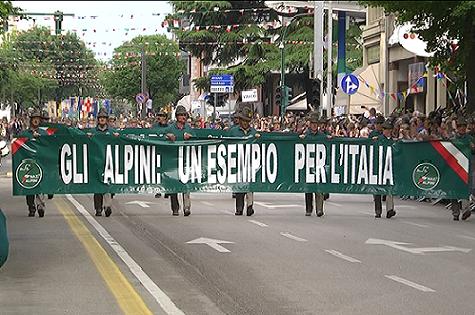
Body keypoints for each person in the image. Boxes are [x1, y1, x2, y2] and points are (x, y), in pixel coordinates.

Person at [228, 106, 260, 216]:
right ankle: (239, 207)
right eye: (244, 120)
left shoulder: (254, 132)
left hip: (250, 162)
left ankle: (250, 206)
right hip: (238, 162)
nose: (246, 123)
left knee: (250, 185)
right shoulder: (233, 132)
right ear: (240, 121)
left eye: (247, 121)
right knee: (239, 186)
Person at [88, 108, 117, 217]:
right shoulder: (93, 132)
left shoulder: (112, 132)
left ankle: (108, 205)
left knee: (107, 184)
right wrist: (89, 138)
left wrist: (117, 138)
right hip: (96, 162)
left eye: (104, 118)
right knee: (97, 186)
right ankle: (98, 208)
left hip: (109, 162)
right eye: (100, 118)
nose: (102, 120)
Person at [299, 112, 328, 217]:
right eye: (312, 123)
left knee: (319, 187)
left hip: (319, 165)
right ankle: (308, 208)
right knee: (308, 188)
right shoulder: (305, 135)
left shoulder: (322, 136)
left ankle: (319, 209)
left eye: (316, 123)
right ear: (309, 124)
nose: (314, 125)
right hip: (308, 165)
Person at [165, 105, 192, 216]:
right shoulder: (170, 128)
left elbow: (196, 139)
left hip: (185, 160)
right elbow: (161, 136)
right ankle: (175, 208)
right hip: (173, 160)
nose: (183, 117)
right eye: (181, 115)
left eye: (184, 115)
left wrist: (190, 137)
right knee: (173, 186)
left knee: (186, 184)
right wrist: (167, 136)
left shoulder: (189, 128)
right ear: (176, 116)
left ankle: (187, 207)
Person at [25, 109, 47, 217]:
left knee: (40, 184)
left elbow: (49, 145)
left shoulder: (44, 133)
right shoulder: (25, 133)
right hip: (28, 163)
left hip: (41, 162)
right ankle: (31, 207)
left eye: (37, 119)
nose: (36, 121)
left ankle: (40, 206)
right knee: (29, 186)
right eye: (34, 119)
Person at [373, 119, 396, 219]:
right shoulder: (378, 139)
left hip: (389, 167)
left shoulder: (393, 141)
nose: (387, 131)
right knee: (377, 189)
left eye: (389, 129)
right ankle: (378, 211)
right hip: (378, 167)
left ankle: (389, 210)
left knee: (389, 188)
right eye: (386, 129)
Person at [450, 117, 472, 221]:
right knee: (453, 190)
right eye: (460, 126)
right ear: (457, 128)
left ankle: (466, 210)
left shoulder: (470, 138)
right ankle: (455, 212)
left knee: (465, 188)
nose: (462, 128)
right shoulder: (453, 138)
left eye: (464, 126)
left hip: (466, 167)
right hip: (454, 167)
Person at [153, 108, 169, 199]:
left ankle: (167, 190)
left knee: (167, 172)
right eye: (159, 116)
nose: (160, 117)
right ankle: (158, 190)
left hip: (167, 151)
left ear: (165, 118)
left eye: (162, 116)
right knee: (158, 172)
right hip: (157, 151)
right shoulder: (154, 127)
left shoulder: (169, 127)